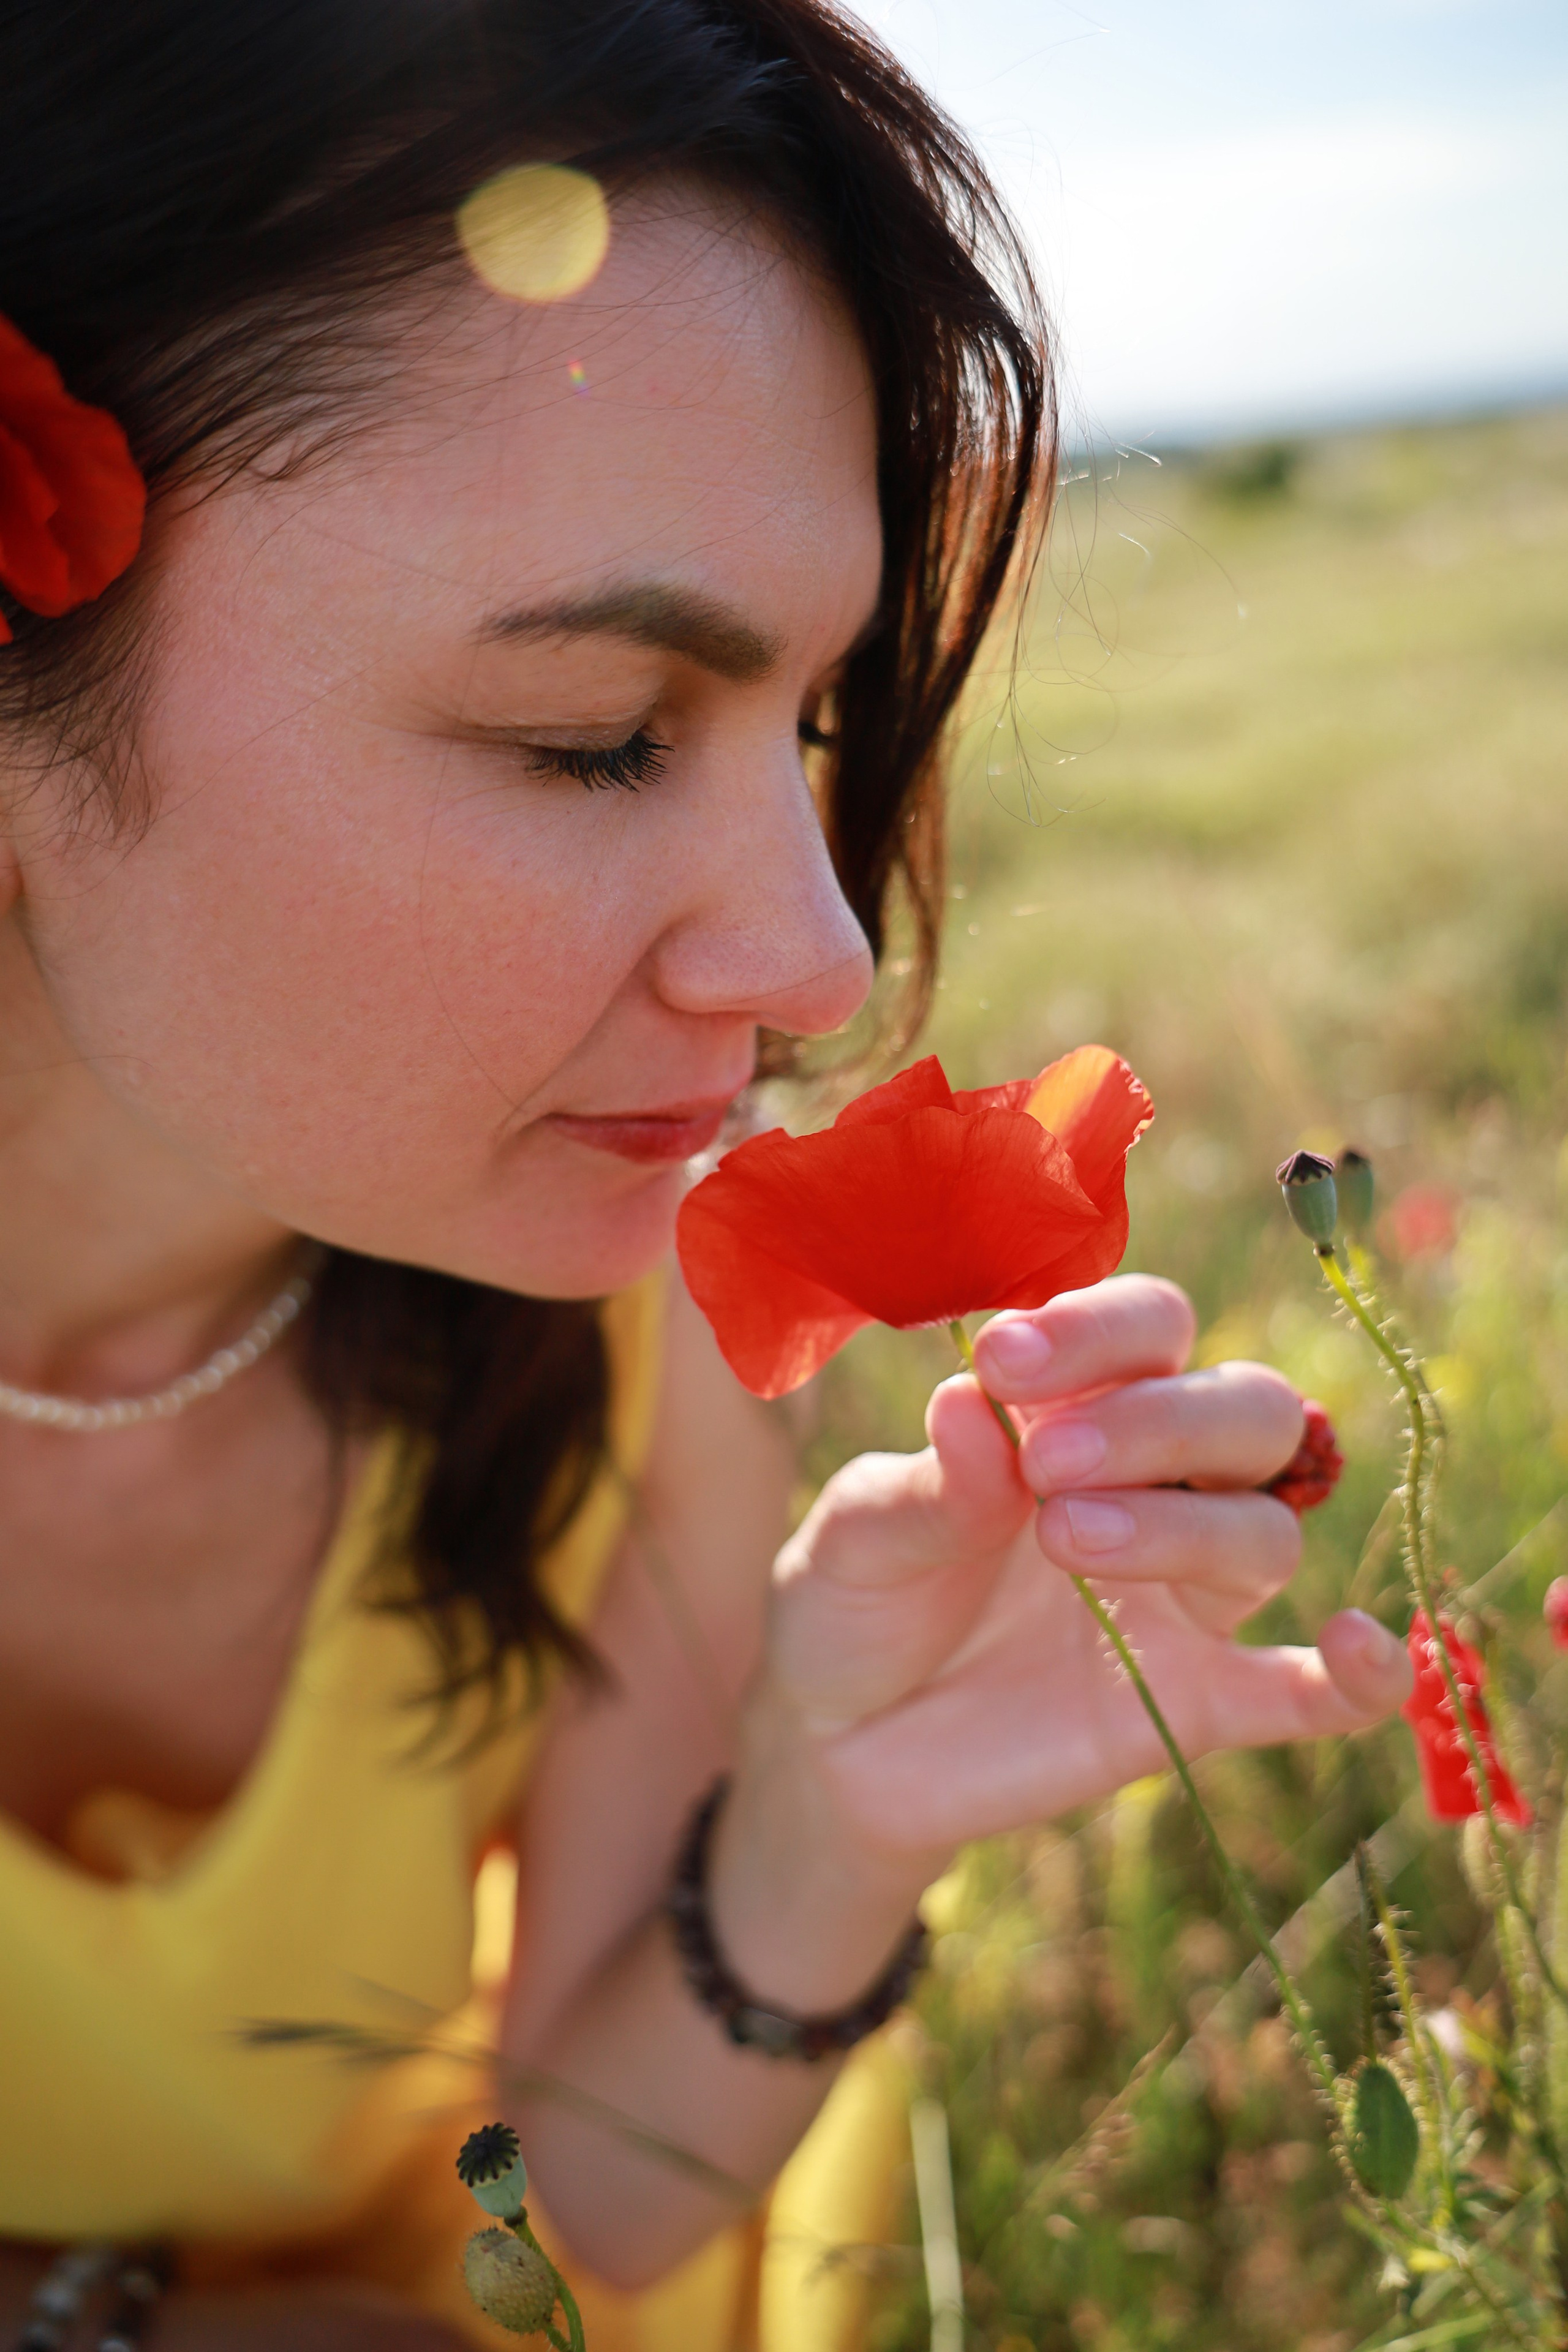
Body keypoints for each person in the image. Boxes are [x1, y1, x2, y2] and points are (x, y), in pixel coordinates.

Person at [0, 3, 1412, 2345]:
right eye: (596, 741)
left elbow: (571, 2221)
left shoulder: (607, 1339)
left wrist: (824, 1822)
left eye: (818, 721)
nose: (816, 955)